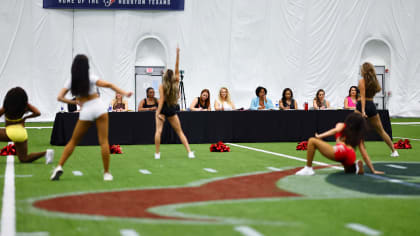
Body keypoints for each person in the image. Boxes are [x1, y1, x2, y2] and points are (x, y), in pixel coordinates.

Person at [51, 54, 132, 181]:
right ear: (87, 66)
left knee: (73, 141)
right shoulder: (90, 77)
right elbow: (109, 85)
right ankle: (106, 173)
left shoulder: (71, 81)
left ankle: (59, 166)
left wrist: (75, 103)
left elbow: (60, 97)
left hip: (86, 111)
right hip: (99, 108)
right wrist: (124, 93)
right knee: (104, 142)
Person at [296, 113, 384, 176]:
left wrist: (319, 136)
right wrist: (373, 170)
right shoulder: (358, 135)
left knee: (312, 141)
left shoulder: (342, 125)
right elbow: (364, 155)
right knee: (347, 171)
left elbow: (335, 130)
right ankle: (355, 167)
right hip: (351, 155)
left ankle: (308, 168)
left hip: (341, 151)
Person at [154, 47, 195, 159]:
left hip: (163, 108)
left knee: (158, 131)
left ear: (164, 77)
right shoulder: (176, 81)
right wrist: (177, 54)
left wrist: (157, 113)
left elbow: (161, 100)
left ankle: (157, 153)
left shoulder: (162, 86)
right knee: (180, 132)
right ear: (172, 76)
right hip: (171, 108)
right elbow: (177, 65)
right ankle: (189, 152)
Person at [0, 87, 54, 164]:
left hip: (9, 133)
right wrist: (25, 118)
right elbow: (37, 113)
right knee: (24, 159)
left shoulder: (6, 107)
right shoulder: (25, 106)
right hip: (21, 133)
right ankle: (46, 153)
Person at [357, 62, 399, 157]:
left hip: (362, 105)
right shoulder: (374, 81)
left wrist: (363, 111)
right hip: (371, 105)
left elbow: (363, 97)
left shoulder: (362, 81)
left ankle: (356, 148)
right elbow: (378, 90)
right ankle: (394, 151)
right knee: (381, 130)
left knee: (353, 127)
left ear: (364, 70)